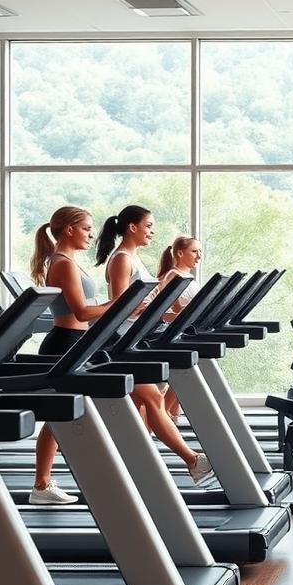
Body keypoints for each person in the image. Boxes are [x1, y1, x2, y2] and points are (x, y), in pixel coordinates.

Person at [94, 206, 214, 486]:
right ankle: (193, 461)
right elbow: (119, 307)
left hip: (135, 335)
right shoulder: (122, 259)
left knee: (143, 404)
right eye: (148, 225)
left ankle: (129, 465)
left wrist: (152, 306)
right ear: (132, 227)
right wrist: (149, 306)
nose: (152, 231)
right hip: (122, 339)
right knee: (153, 399)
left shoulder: (133, 258)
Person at [28, 206, 116, 504]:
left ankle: (42, 485)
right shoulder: (62, 263)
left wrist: (115, 305)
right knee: (58, 416)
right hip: (65, 342)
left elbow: (89, 310)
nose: (92, 234)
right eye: (87, 228)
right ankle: (41, 485)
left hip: (76, 340)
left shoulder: (68, 261)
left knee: (60, 417)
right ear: (69, 230)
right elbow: (81, 311)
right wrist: (118, 304)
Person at [155, 234, 203, 419]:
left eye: (200, 251)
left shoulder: (187, 277)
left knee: (182, 384)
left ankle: (171, 421)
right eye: (194, 251)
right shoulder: (173, 276)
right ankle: (163, 421)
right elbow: (167, 311)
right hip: (174, 336)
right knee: (181, 380)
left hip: (187, 334)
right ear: (180, 253)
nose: (199, 256)